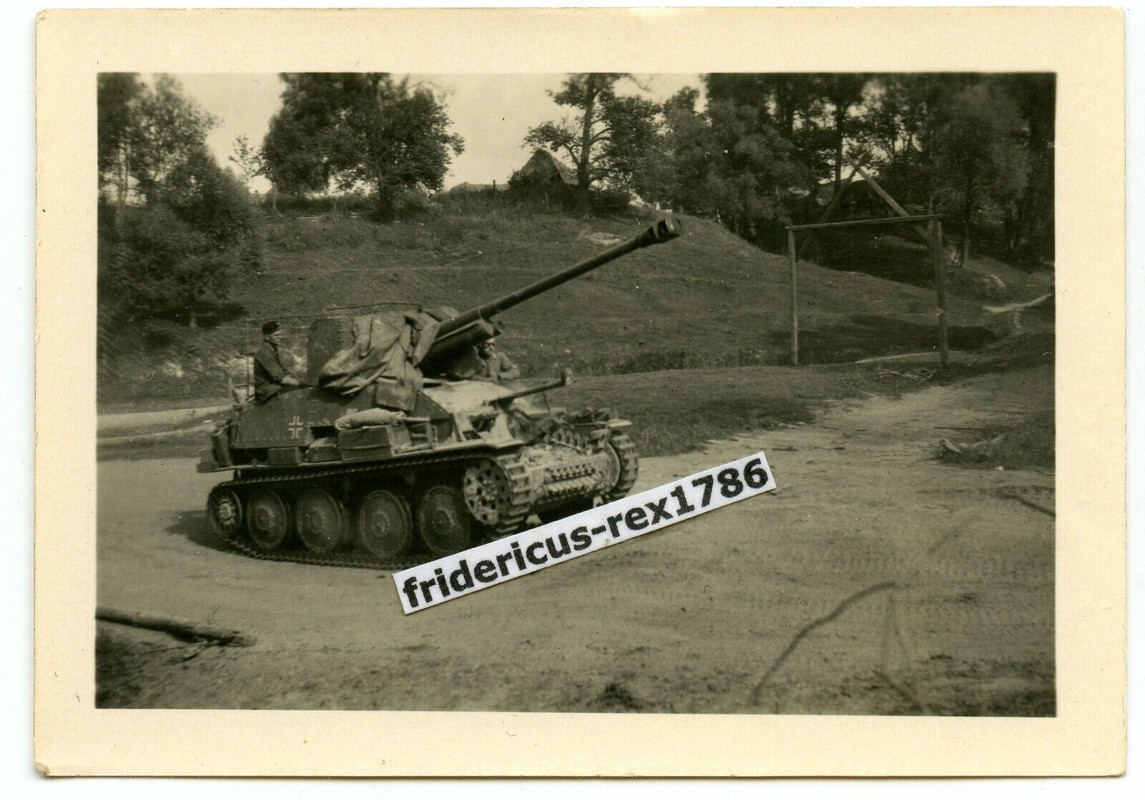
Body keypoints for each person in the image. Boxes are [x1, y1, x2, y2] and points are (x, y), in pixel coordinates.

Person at [253, 320, 301, 401]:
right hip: (267, 391)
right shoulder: (265, 352)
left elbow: (285, 373)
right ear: (267, 337)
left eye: (281, 334)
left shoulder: (272, 350)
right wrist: (302, 384)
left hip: (274, 388)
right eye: (277, 335)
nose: (281, 337)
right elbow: (281, 378)